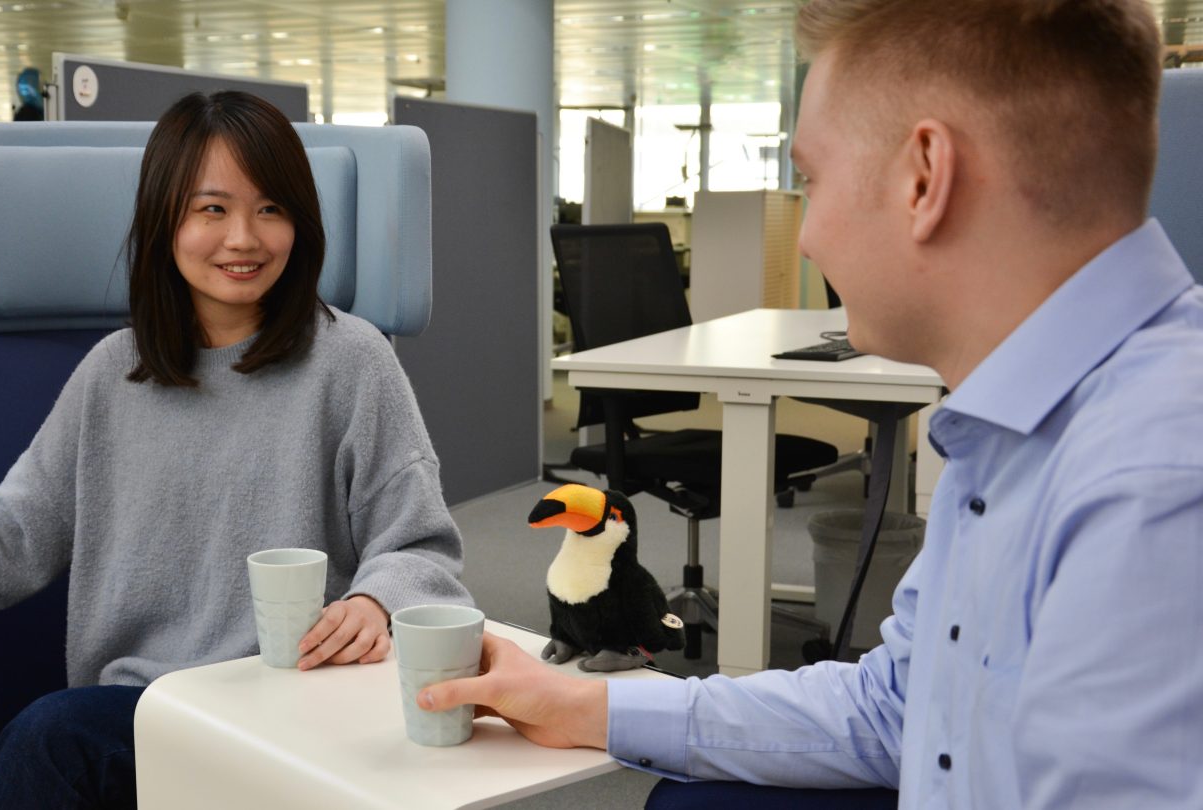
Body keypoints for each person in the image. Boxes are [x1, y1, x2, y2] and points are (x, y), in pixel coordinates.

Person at [418, 1, 1203, 807]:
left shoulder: (1158, 484)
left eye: (813, 179)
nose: (806, 238)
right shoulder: (1017, 428)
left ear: (924, 178)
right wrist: (589, 704)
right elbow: (897, 706)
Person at [0, 90, 471, 807]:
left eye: (272, 208)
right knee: (35, 754)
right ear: (165, 220)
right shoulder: (113, 371)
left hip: (282, 711)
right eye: (212, 209)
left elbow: (422, 546)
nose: (244, 239)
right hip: (139, 719)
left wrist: (378, 600)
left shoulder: (352, 361)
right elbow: (6, 537)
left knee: (46, 741)